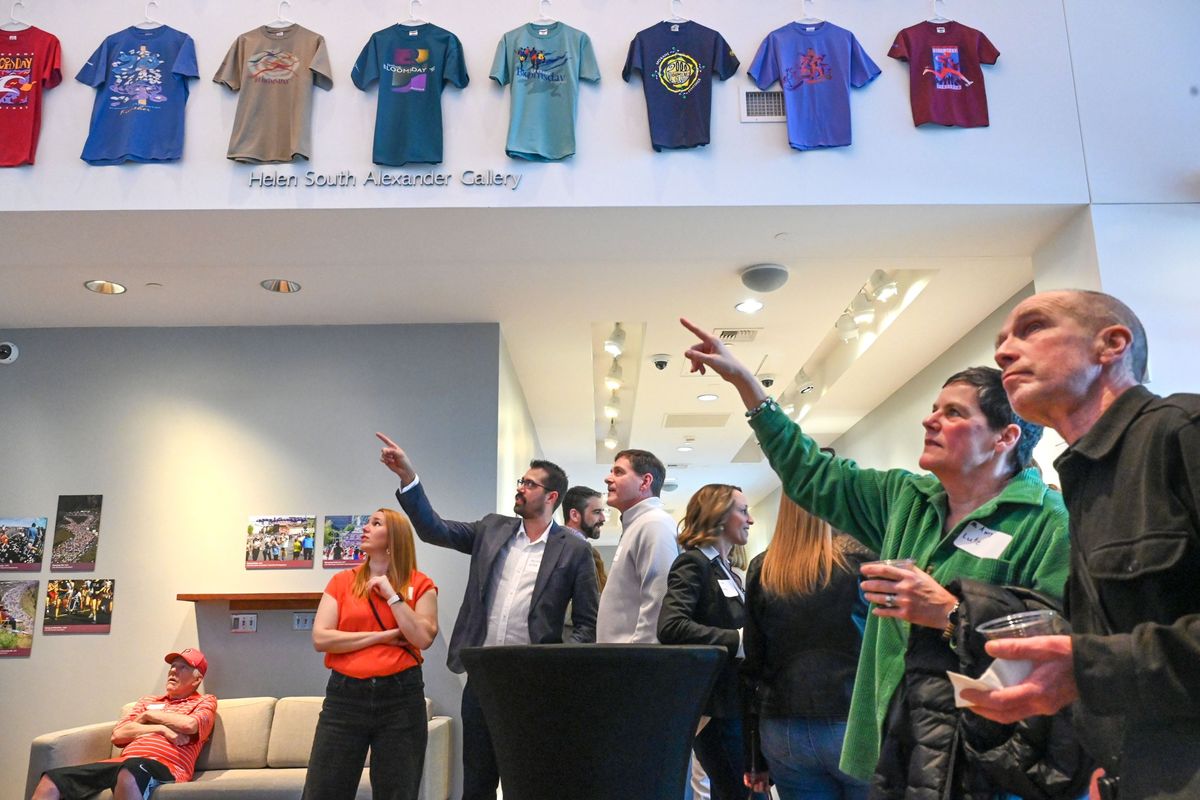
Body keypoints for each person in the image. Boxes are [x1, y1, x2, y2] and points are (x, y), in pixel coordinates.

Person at [681, 318, 1071, 788]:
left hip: (978, 764)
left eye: (953, 413)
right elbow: (810, 472)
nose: (930, 420)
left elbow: (1057, 653)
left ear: (1004, 438)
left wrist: (950, 614)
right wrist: (747, 385)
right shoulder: (906, 500)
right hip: (889, 749)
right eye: (934, 408)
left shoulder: (1048, 523)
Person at [965, 289, 1200, 799]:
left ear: (1111, 345)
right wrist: (1108, 764)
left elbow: (1106, 659)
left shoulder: (1183, 432)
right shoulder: (1085, 478)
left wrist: (1088, 669)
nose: (1003, 352)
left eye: (1032, 327)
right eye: (1000, 342)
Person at [376, 433, 599, 800]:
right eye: (521, 481)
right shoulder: (492, 529)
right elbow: (435, 529)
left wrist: (556, 664)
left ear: (551, 497)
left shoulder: (574, 549)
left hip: (535, 683)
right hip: (483, 676)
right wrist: (408, 477)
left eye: (530, 484)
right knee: (477, 778)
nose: (521, 488)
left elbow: (588, 624)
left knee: (527, 780)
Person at [742, 496, 873, 800]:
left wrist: (753, 756)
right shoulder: (863, 560)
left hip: (783, 728)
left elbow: (753, 664)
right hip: (855, 721)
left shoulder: (763, 568)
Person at [303, 508, 438, 800]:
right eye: (368, 522)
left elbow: (422, 638)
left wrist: (392, 595)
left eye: (375, 523)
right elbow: (321, 638)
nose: (365, 527)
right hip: (345, 697)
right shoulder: (342, 582)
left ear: (394, 538)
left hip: (401, 698)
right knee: (324, 790)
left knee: (398, 792)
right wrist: (385, 636)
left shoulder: (421, 584)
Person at [658, 483, 759, 800]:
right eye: (743, 511)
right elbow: (671, 626)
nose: (750, 519)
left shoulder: (725, 569)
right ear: (719, 516)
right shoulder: (694, 563)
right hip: (717, 709)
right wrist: (737, 640)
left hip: (735, 706)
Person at [32, 649, 216, 800]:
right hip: (122, 762)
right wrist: (160, 727)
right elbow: (119, 735)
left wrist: (147, 719)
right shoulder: (147, 702)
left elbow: (189, 725)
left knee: (129, 773)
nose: (173, 671)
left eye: (183, 667)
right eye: (173, 666)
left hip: (165, 766)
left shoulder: (205, 701)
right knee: (51, 780)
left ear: (197, 679)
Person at [596, 448, 679, 643]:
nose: (608, 479)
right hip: (624, 656)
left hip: (636, 657)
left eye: (619, 472)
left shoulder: (654, 524)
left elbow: (659, 599)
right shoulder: (638, 524)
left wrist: (640, 655)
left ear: (645, 482)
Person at [561, 484, 609, 592]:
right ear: (574, 515)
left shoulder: (588, 551)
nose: (603, 518)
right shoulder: (563, 550)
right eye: (597, 512)